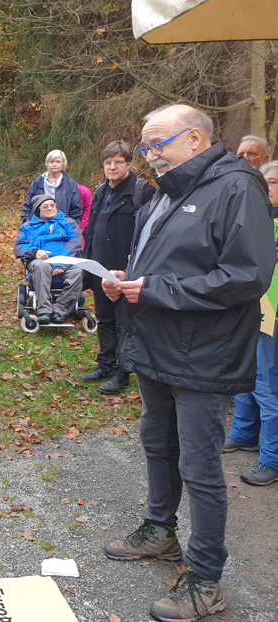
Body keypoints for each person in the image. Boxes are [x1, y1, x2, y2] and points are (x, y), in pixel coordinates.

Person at [101, 104, 275, 622]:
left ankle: (205, 578)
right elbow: (162, 261)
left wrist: (157, 289)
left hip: (205, 355)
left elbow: (247, 276)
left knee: (199, 466)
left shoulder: (237, 188)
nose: (149, 155)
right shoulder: (169, 191)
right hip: (155, 346)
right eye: (145, 145)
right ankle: (160, 530)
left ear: (195, 139)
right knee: (157, 442)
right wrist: (126, 277)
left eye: (158, 145)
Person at [81, 141, 155, 394]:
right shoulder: (101, 191)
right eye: (108, 163)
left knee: (125, 323)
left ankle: (123, 372)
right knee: (104, 320)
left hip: (126, 273)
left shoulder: (142, 192)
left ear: (129, 164)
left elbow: (151, 235)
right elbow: (92, 231)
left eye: (117, 162)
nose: (112, 167)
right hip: (100, 270)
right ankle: (105, 365)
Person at [223, 159, 278, 486]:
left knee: (267, 384)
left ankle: (271, 457)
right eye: (265, 182)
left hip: (271, 315)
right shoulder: (256, 218)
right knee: (245, 375)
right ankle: (244, 431)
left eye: (273, 182)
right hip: (247, 309)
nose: (267, 188)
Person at [13, 195, 82, 324]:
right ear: (38, 210)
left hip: (64, 262)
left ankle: (59, 310)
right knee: (41, 265)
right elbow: (19, 247)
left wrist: (60, 263)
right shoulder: (28, 226)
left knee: (78, 271)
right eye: (45, 206)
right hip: (40, 262)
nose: (50, 208)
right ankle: (44, 311)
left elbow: (74, 244)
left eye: (53, 205)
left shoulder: (68, 223)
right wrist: (34, 252)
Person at [21, 150, 83, 224]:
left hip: (62, 227)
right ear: (47, 164)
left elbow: (76, 209)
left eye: (58, 162)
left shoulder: (70, 184)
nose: (54, 164)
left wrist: (70, 226)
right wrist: (28, 223)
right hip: (38, 226)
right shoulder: (37, 183)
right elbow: (28, 206)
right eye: (51, 162)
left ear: (63, 164)